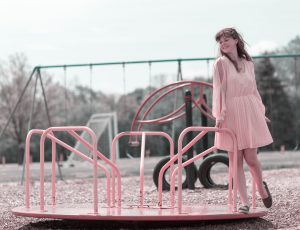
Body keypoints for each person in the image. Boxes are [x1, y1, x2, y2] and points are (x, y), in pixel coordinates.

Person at [212, 27, 273, 214]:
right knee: (235, 159)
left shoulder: (248, 63)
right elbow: (219, 90)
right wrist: (219, 114)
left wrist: (260, 110)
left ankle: (261, 189)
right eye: (220, 42)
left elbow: (253, 89)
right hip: (230, 111)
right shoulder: (220, 63)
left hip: (249, 110)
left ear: (236, 40)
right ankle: (244, 202)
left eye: (226, 40)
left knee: (251, 158)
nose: (223, 44)